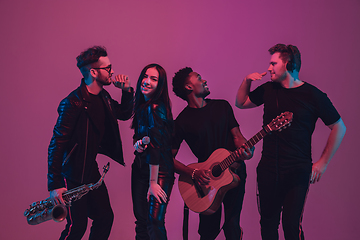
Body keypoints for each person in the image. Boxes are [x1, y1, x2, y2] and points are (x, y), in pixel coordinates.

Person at [235, 43, 346, 240]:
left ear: (288, 64)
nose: (269, 68)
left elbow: (339, 127)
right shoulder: (269, 89)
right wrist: (246, 80)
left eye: (273, 63)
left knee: (291, 226)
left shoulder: (313, 95)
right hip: (268, 169)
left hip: (297, 170)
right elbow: (241, 103)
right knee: (268, 225)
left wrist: (322, 163)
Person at [47, 46, 134, 240]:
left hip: (91, 172)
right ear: (94, 72)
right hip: (71, 173)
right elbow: (57, 143)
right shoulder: (73, 102)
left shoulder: (104, 97)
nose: (112, 72)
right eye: (108, 68)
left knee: (105, 218)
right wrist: (55, 183)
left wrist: (127, 91)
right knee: (77, 227)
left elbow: (124, 114)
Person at [171, 67, 254, 240]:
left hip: (235, 173)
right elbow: (167, 158)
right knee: (207, 233)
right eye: (199, 78)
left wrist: (247, 149)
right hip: (206, 181)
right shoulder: (181, 121)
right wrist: (193, 172)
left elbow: (237, 137)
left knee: (232, 227)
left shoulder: (222, 106)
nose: (204, 80)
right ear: (188, 87)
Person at [131, 63, 174, 240]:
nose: (146, 81)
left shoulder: (156, 107)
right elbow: (141, 138)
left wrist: (153, 182)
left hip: (159, 172)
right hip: (140, 168)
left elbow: (157, 146)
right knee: (142, 222)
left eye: (153, 79)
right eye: (145, 76)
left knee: (154, 221)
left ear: (160, 85)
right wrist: (138, 144)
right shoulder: (142, 107)